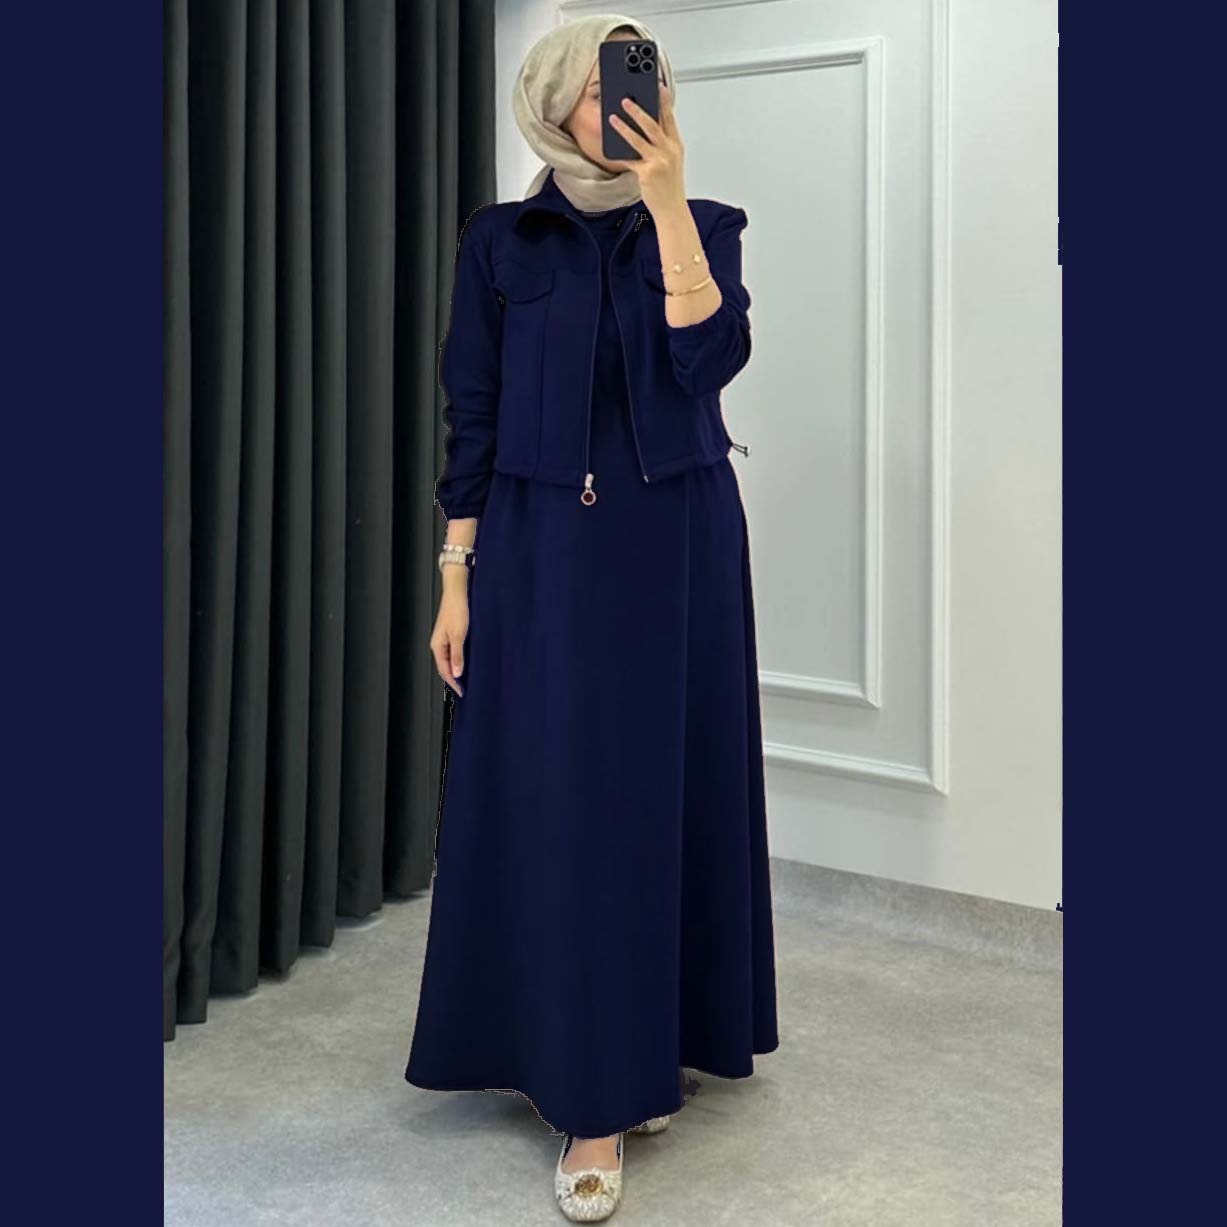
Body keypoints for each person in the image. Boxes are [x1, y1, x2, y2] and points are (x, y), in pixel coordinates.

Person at [405, 14, 779, 1222]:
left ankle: (646, 1052)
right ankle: (583, 1079)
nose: (633, 98)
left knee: (665, 793)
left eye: (648, 76)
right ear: (551, 101)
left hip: (677, 545)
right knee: (566, 806)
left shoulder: (705, 223)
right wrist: (456, 574)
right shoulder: (500, 242)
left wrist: (668, 207)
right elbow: (472, 409)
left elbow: (709, 364)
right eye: (606, 81)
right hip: (541, 552)